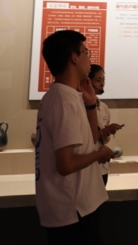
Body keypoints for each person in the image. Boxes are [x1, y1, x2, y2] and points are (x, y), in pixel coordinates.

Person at [35, 30, 114, 244]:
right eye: (86, 52)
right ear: (74, 58)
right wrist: (100, 154)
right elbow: (66, 164)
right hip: (73, 210)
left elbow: (90, 138)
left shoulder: (65, 96)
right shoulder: (64, 101)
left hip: (77, 208)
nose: (89, 58)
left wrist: (90, 105)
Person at [88, 64, 124, 186]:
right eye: (98, 80)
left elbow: (105, 140)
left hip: (102, 166)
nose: (102, 84)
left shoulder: (104, 107)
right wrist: (105, 130)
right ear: (87, 81)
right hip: (87, 163)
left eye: (103, 80)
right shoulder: (79, 106)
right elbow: (84, 137)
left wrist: (108, 131)